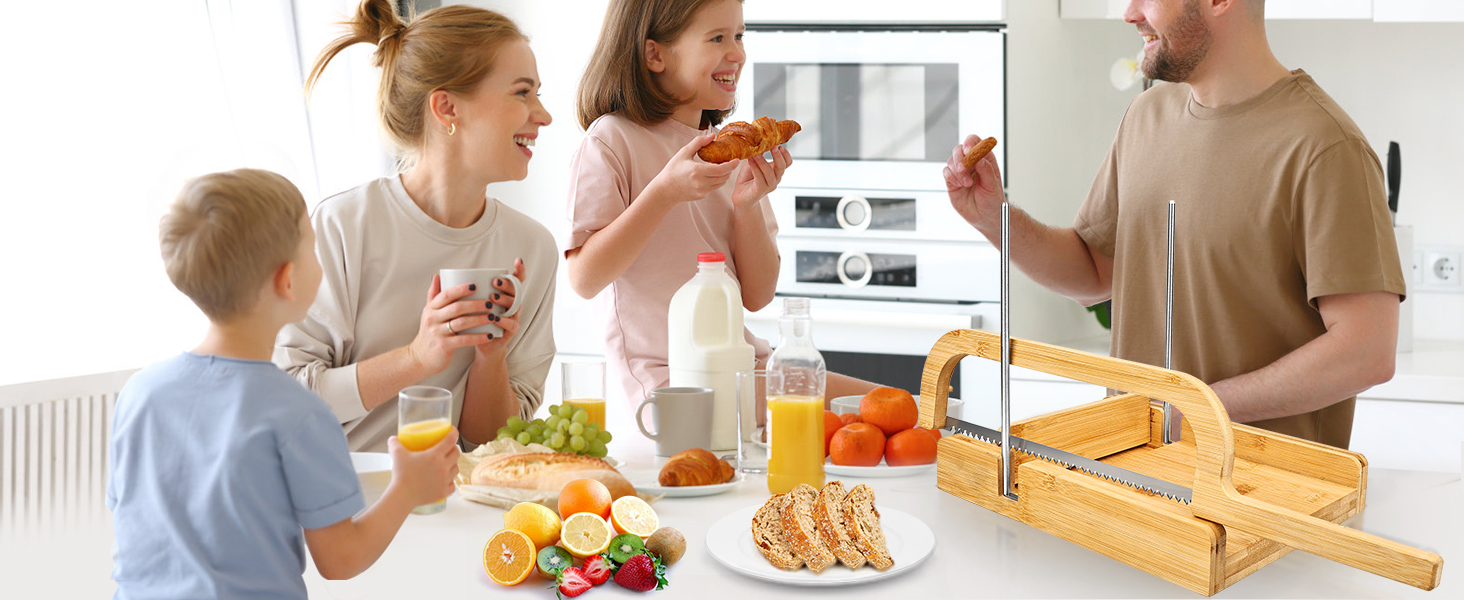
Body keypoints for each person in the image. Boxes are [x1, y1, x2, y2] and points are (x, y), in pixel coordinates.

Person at [945, 0, 1404, 448]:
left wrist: (1200, 408)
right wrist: (994, 218)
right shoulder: (1147, 116)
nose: (1129, 13)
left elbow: (1366, 352)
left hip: (1261, 504)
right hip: (1134, 478)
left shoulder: (1325, 147)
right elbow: (1093, 273)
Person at [108, 169, 460, 598]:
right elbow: (341, 559)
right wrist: (408, 488)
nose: (320, 259)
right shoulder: (300, 413)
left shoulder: (140, 392)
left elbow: (135, 528)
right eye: (312, 246)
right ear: (287, 280)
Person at [275, 0, 557, 451]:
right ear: (447, 108)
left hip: (461, 507)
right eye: (522, 92)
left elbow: (493, 443)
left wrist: (491, 357)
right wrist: (417, 357)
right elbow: (284, 401)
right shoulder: (345, 226)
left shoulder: (532, 247)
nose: (542, 115)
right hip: (344, 502)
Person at [566, 0, 877, 409]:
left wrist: (747, 205)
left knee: (898, 406)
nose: (738, 53)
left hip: (745, 368)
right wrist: (663, 194)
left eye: (739, 36)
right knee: (890, 414)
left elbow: (757, 294)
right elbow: (585, 278)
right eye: (717, 38)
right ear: (654, 54)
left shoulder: (728, 145)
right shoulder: (611, 141)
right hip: (673, 386)